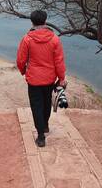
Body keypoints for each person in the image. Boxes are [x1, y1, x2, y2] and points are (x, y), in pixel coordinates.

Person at [16, 10, 67, 147]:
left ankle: (40, 136)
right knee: (46, 103)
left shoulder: (27, 39)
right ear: (45, 21)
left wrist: (23, 71)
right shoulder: (55, 39)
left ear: (32, 21)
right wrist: (61, 78)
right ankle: (45, 125)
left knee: (36, 106)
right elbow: (59, 61)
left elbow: (21, 60)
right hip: (50, 78)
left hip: (33, 79)